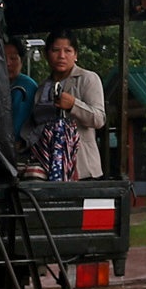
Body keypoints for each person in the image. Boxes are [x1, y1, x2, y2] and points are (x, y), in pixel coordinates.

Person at [28, 34, 107, 181]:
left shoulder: (87, 79)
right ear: (46, 54)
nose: (61, 56)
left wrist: (73, 105)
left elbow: (99, 119)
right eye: (56, 50)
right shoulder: (42, 88)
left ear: (75, 54)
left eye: (68, 51)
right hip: (49, 168)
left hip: (82, 169)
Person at [6, 40, 37, 142]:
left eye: (13, 58)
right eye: (2, 58)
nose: (8, 63)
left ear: (21, 61)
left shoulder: (28, 87)